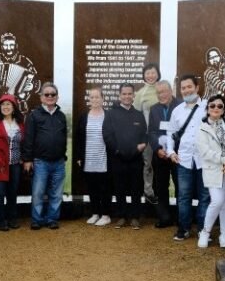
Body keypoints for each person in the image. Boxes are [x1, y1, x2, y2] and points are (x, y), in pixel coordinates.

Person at [195, 94, 225, 249]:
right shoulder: (202, 129)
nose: (216, 108)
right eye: (212, 106)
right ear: (208, 109)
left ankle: (224, 234)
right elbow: (205, 151)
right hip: (213, 170)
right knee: (217, 200)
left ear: (224, 110)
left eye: (220, 106)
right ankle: (205, 232)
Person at [166, 74, 209, 241]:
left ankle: (202, 230)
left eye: (189, 87)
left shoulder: (208, 106)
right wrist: (171, 152)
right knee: (183, 196)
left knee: (205, 196)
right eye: (183, 88)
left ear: (197, 88)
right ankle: (183, 229)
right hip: (183, 160)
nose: (186, 90)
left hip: (204, 161)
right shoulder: (177, 111)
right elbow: (170, 133)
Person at [22, 82, 67, 230]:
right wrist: (27, 159)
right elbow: (28, 138)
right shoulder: (34, 115)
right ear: (41, 97)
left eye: (52, 94)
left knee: (56, 194)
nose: (49, 97)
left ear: (57, 97)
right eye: (46, 94)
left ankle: (52, 219)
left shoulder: (61, 116)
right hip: (41, 162)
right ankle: (37, 220)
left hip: (59, 162)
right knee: (38, 193)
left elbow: (64, 137)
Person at [103, 83, 147, 228]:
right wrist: (117, 150)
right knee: (119, 188)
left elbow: (144, 136)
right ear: (119, 95)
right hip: (117, 158)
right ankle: (121, 216)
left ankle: (135, 217)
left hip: (136, 159)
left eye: (130, 94)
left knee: (136, 189)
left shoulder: (139, 115)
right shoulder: (110, 114)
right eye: (124, 94)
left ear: (133, 96)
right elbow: (107, 135)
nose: (127, 96)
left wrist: (142, 145)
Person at [0, 94, 25, 231]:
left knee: (13, 192)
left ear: (14, 107)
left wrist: (24, 158)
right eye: (3, 104)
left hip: (15, 164)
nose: (5, 107)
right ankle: (0, 220)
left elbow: (24, 141)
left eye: (8, 104)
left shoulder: (19, 122)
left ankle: (12, 218)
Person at [75, 86, 111, 227]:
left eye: (97, 97)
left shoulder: (108, 116)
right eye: (92, 97)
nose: (95, 99)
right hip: (88, 159)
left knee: (105, 188)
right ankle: (95, 213)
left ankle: (106, 215)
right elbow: (78, 138)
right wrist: (78, 156)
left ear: (103, 99)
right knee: (92, 188)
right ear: (89, 99)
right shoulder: (84, 117)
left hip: (104, 159)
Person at [147, 80, 181, 228]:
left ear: (170, 91)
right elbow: (152, 132)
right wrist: (157, 149)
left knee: (181, 187)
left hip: (177, 155)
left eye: (164, 91)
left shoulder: (180, 106)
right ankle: (165, 218)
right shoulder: (154, 109)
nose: (162, 95)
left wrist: (172, 149)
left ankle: (182, 218)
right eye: (159, 92)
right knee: (161, 187)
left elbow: (183, 130)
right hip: (160, 155)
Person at [0, 32, 39, 114]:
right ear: (2, 47)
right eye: (6, 45)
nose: (9, 48)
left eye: (11, 45)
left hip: (19, 104)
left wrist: (32, 86)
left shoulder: (25, 62)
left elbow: (37, 80)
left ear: (16, 46)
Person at [134, 63, 161, 205]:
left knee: (162, 165)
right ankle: (148, 191)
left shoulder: (162, 89)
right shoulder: (140, 93)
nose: (150, 75)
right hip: (147, 135)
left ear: (158, 74)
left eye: (153, 72)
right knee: (147, 164)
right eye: (147, 73)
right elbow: (135, 116)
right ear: (144, 75)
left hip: (162, 135)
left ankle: (161, 193)